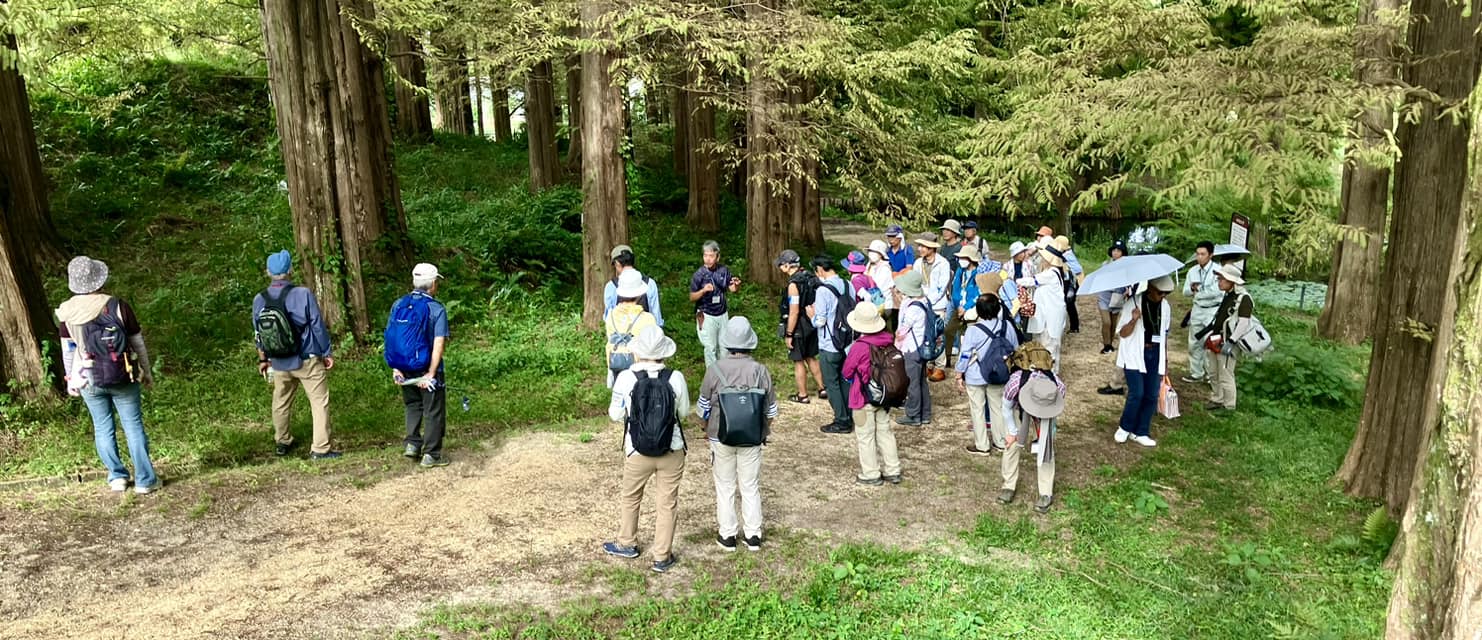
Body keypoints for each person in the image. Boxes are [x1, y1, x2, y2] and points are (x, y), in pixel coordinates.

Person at [57, 256, 161, 494]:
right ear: (98, 279)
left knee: (102, 427)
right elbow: (138, 343)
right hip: (122, 374)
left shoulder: (67, 312)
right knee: (133, 426)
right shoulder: (118, 305)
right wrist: (146, 371)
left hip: (88, 378)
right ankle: (145, 481)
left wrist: (72, 380)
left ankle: (117, 477)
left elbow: (68, 351)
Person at [603, 326, 690, 573]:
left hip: (637, 449)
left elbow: (614, 414)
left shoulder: (627, 378)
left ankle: (627, 542)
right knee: (667, 502)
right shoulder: (676, 378)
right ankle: (662, 556)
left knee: (631, 497)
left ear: (639, 351)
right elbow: (683, 413)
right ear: (664, 352)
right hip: (671, 449)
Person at [696, 317, 778, 552]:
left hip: (719, 436)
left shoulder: (715, 370)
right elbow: (771, 409)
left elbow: (703, 407)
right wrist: (764, 427)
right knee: (750, 484)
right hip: (752, 437)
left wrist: (705, 427)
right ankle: (753, 534)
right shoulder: (761, 371)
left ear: (727, 342)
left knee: (724, 485)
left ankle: (728, 535)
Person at [252, 250, 339, 459]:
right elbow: (317, 325)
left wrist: (263, 359)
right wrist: (326, 352)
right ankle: (320, 448)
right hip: (306, 359)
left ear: (268, 272)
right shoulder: (303, 294)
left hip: (278, 361)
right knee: (319, 402)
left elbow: (258, 334)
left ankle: (282, 441)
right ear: (290, 270)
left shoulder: (259, 299)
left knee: (280, 401)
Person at [388, 263, 452, 467]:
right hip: (427, 368)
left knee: (412, 405)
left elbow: (393, 338)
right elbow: (438, 343)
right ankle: (431, 454)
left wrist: (396, 368)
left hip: (404, 366)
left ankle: (412, 445)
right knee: (433, 410)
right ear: (433, 284)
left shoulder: (399, 304)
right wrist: (431, 374)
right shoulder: (436, 308)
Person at [998, 343, 1066, 513]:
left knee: (1046, 449)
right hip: (1018, 407)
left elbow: (1056, 410)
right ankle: (1008, 485)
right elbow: (1005, 407)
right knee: (1011, 445)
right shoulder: (1015, 383)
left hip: (1045, 410)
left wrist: (1047, 434)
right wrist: (1013, 432)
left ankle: (1045, 492)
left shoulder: (1057, 386)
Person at [841, 303, 903, 485]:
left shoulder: (859, 347)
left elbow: (846, 372)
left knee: (865, 436)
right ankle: (893, 469)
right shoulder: (887, 340)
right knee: (885, 432)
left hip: (862, 397)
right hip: (884, 395)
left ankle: (871, 473)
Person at [1114, 275, 1175, 447]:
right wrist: (1133, 319)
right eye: (1160, 293)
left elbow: (1165, 334)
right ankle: (1125, 426)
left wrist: (1166, 359)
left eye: (1166, 294)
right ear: (1150, 288)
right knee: (1137, 393)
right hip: (1134, 353)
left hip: (1155, 352)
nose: (1162, 296)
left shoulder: (1165, 306)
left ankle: (1141, 431)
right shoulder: (1132, 303)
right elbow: (1123, 333)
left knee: (1151, 394)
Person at [956, 293, 1020, 456]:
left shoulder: (973, 330)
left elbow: (965, 355)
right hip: (999, 373)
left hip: (975, 375)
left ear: (978, 311)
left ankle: (982, 445)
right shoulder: (1007, 326)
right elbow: (1015, 348)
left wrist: (959, 374)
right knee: (999, 408)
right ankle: (1000, 441)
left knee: (977, 410)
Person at [811, 256, 855, 433]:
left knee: (831, 382)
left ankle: (841, 420)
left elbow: (820, 320)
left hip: (829, 343)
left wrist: (811, 315)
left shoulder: (822, 291)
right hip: (847, 342)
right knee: (845, 379)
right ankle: (850, 413)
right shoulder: (848, 284)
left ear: (820, 270)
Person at [775, 250, 825, 404]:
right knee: (811, 356)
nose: (780, 267)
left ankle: (802, 395)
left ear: (788, 265)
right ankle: (823, 388)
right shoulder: (811, 276)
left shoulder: (793, 284)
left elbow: (794, 311)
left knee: (798, 360)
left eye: (782, 264)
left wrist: (789, 333)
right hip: (812, 323)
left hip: (799, 327)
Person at [1205, 265, 1253, 411]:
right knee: (1213, 371)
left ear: (1232, 281)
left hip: (1228, 341)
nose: (1219, 282)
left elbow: (1244, 323)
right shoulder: (1228, 295)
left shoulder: (1243, 298)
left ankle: (1229, 405)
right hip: (1216, 339)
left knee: (1226, 373)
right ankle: (1217, 398)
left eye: (1222, 279)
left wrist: (1231, 342)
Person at [689, 241, 741, 369]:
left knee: (724, 347)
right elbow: (692, 297)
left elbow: (732, 289)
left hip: (722, 313)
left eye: (711, 256)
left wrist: (736, 285)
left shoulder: (724, 271)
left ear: (717, 257)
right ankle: (712, 377)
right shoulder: (699, 275)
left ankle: (725, 375)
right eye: (705, 255)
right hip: (706, 314)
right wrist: (703, 290)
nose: (708, 258)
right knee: (710, 348)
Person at [893, 270, 933, 426]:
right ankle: (925, 413)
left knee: (912, 383)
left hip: (912, 349)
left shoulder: (912, 308)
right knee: (921, 381)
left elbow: (902, 331)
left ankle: (914, 415)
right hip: (921, 347)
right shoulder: (924, 301)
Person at [607, 269, 658, 388]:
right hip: (639, 370)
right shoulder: (647, 318)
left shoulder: (611, 316)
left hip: (616, 365)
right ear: (640, 294)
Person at [912, 232, 951, 380]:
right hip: (922, 303)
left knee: (938, 335)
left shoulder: (943, 263)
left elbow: (942, 287)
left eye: (924, 246)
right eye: (920, 245)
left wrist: (930, 301)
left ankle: (940, 367)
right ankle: (928, 364)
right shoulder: (918, 263)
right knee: (924, 335)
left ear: (931, 248)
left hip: (937, 305)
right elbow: (916, 283)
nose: (920, 248)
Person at [1182, 241, 1221, 383]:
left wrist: (1200, 292)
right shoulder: (1192, 271)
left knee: (1210, 342)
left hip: (1212, 309)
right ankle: (1196, 372)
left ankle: (1211, 375)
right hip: (1197, 308)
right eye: (1197, 254)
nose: (1199, 257)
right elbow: (1185, 291)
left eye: (1203, 254)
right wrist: (1193, 289)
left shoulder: (1217, 270)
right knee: (1194, 342)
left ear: (1210, 255)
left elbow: (1217, 292)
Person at [1025, 247, 1068, 374]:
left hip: (1050, 318)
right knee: (1043, 345)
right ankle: (1044, 373)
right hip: (1046, 316)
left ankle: (1050, 375)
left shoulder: (1051, 274)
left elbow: (1032, 281)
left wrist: (1012, 281)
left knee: (1049, 346)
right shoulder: (1051, 272)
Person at [604, 245, 663, 327]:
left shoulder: (611, 286)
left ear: (617, 263)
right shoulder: (650, 283)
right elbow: (657, 318)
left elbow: (609, 318)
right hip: (645, 335)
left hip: (620, 337)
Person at [946, 244, 983, 364]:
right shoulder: (960, 270)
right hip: (958, 307)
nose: (960, 260)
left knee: (970, 336)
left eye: (963, 258)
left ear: (971, 259)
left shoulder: (979, 273)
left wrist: (966, 307)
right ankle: (946, 359)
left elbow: (976, 294)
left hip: (972, 309)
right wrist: (958, 306)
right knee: (948, 331)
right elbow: (955, 289)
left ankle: (970, 361)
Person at [1097, 241, 1130, 354]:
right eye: (1114, 250)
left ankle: (1110, 344)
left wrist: (1127, 290)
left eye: (1118, 251)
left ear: (1123, 253)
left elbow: (1128, 281)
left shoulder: (1125, 267)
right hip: (1104, 295)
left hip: (1117, 295)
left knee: (1113, 321)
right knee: (1106, 322)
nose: (1115, 253)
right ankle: (1106, 345)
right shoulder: (1105, 265)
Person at [866, 239, 898, 330]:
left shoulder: (884, 269)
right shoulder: (869, 265)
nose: (871, 254)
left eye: (874, 252)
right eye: (870, 251)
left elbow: (880, 288)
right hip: (871, 304)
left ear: (881, 254)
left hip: (883, 306)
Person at [1054, 236, 1084, 334]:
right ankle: (1072, 325)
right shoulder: (1064, 254)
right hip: (1069, 282)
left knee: (1070, 304)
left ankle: (1074, 327)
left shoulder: (1067, 255)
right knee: (1068, 304)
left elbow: (1078, 269)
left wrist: (1068, 268)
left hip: (1071, 283)